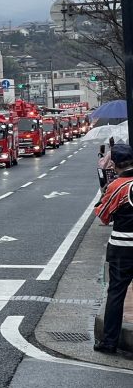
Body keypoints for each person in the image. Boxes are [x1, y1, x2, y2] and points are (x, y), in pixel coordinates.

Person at [93, 143, 133, 354]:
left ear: (115, 164)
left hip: (123, 248)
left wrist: (102, 197)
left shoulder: (117, 186)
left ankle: (109, 342)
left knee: (117, 293)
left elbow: (103, 216)